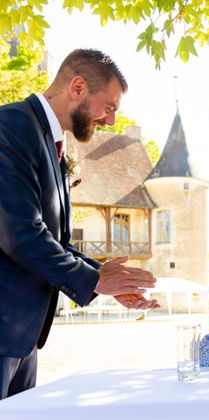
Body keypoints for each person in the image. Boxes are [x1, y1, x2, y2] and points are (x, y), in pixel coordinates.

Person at [0, 49, 159, 399]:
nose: (111, 121)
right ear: (78, 87)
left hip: (23, 337)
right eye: (110, 107)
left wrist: (104, 278)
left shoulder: (52, 143)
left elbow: (55, 240)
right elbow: (20, 234)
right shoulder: (10, 126)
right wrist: (96, 280)